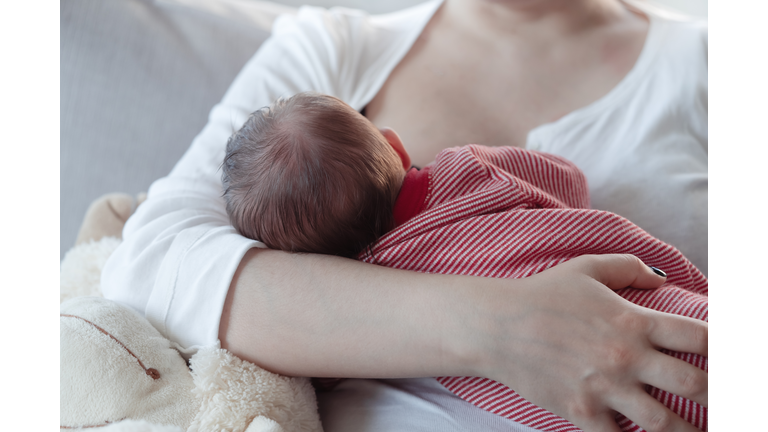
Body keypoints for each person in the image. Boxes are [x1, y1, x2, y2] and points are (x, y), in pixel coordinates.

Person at [101, 1, 708, 431]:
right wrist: (510, 331)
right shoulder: (333, 48)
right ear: (395, 147)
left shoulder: (707, 58)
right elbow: (151, 266)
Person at [222, 91, 708, 430]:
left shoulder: (363, 300)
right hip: (658, 305)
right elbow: (565, 180)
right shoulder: (469, 166)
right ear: (393, 145)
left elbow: (321, 369)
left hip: (616, 406)